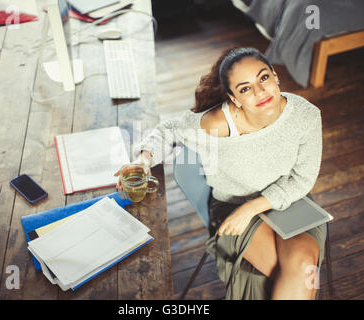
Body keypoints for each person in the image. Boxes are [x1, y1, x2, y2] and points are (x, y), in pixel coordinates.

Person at [115, 47, 325, 300]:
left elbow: (302, 179)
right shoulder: (218, 124)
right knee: (289, 276)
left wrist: (252, 209)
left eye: (263, 78)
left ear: (275, 75)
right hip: (233, 205)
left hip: (289, 201)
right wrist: (143, 159)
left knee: (303, 266)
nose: (260, 92)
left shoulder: (305, 115)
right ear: (234, 98)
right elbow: (168, 130)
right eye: (245, 88)